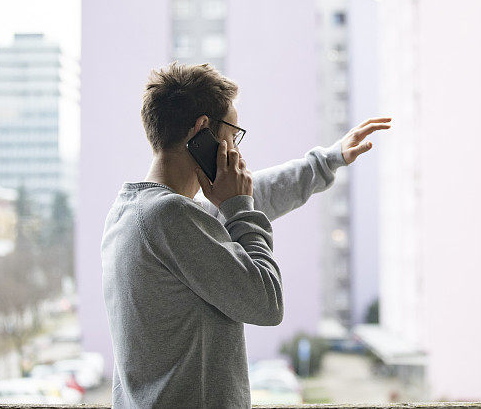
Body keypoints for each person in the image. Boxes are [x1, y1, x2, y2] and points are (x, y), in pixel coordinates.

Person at [101, 62, 390, 408]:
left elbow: (248, 199)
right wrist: (238, 207)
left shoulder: (135, 211)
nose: (236, 150)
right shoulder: (169, 218)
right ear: (203, 132)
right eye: (233, 134)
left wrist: (327, 161)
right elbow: (266, 302)